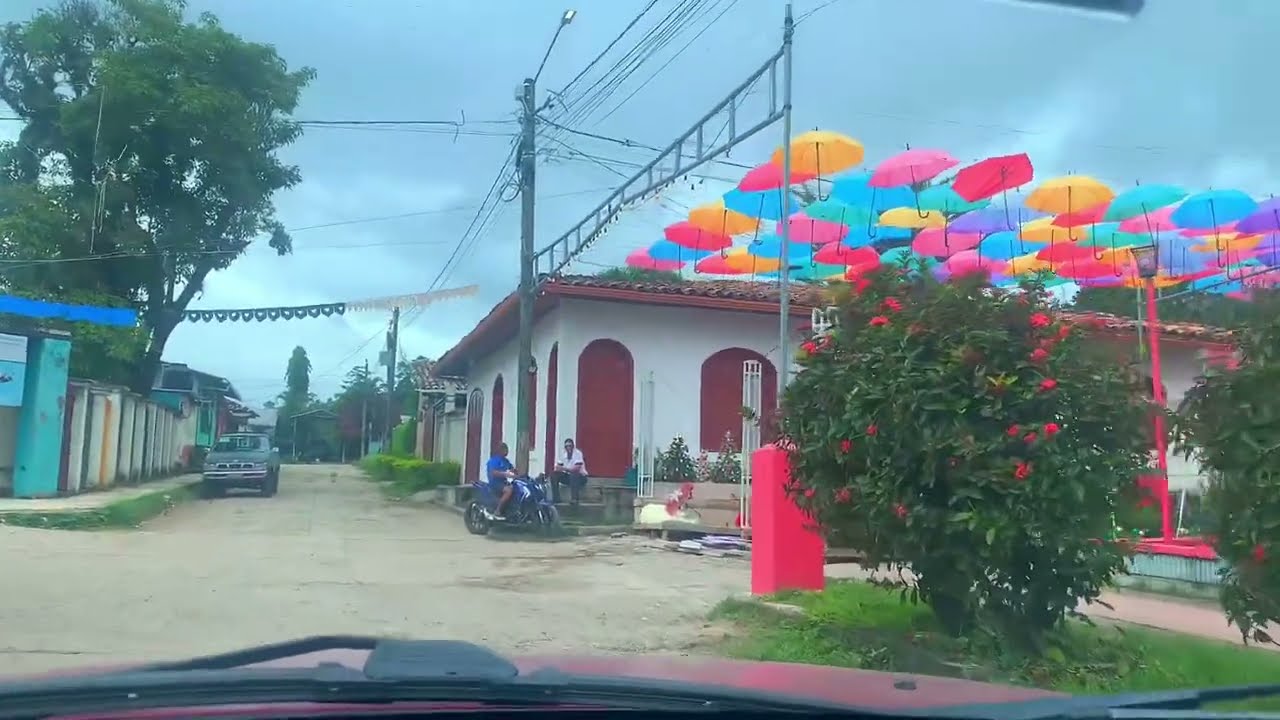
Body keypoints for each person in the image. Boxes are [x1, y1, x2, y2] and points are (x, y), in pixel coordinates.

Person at [552, 438, 588, 507]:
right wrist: (563, 469)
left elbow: (576, 468)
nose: (568, 448)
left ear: (573, 446)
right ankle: (556, 498)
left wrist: (564, 469)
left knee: (574, 474)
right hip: (568, 476)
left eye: (570, 446)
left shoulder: (578, 453)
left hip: (581, 477)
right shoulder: (563, 454)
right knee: (554, 475)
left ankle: (574, 499)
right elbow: (557, 467)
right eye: (567, 446)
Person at [485, 442, 517, 519]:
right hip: (495, 483)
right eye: (505, 449)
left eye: (507, 449)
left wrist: (517, 473)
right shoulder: (494, 460)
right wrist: (506, 474)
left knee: (516, 487)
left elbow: (512, 469)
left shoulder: (506, 461)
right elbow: (493, 472)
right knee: (509, 490)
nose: (507, 451)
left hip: (503, 483)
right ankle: (497, 510)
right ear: (501, 450)